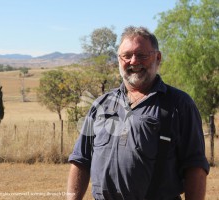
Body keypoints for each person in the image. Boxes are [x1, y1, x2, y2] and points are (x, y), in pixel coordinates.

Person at [67, 26, 209, 200]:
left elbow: (195, 167)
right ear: (119, 60)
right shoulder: (100, 105)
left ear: (157, 58)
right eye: (127, 56)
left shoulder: (179, 104)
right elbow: (80, 160)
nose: (134, 61)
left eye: (141, 55)